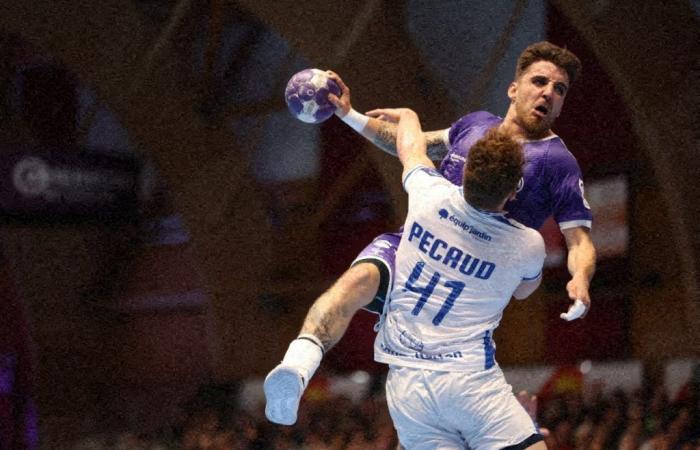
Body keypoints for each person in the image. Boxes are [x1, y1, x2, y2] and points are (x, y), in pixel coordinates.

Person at [264, 41, 595, 427]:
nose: (548, 94)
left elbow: (581, 240)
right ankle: (295, 370)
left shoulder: (558, 163)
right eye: (540, 82)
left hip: (470, 285)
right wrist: (349, 114)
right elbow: (414, 145)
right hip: (417, 249)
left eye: (560, 90)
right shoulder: (476, 125)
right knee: (355, 281)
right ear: (513, 88)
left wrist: (581, 278)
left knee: (432, 401)